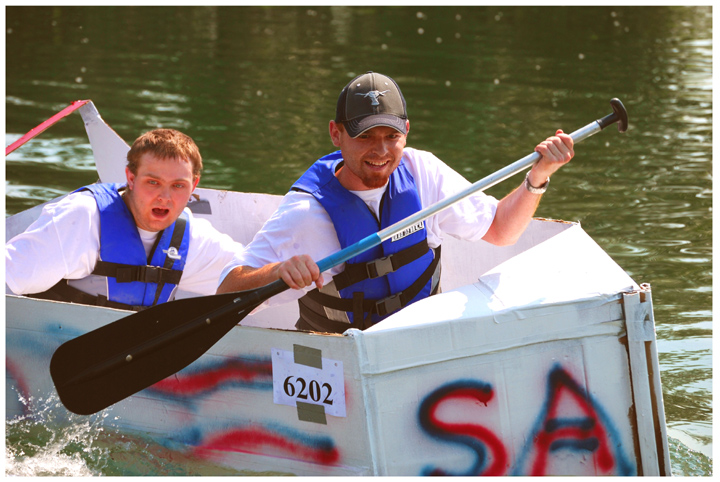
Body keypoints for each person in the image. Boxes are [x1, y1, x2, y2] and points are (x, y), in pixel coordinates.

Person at [217, 71, 574, 333]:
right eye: (365, 136)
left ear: (407, 130)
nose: (381, 151)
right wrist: (276, 272)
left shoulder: (424, 174)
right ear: (335, 134)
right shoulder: (306, 213)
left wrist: (539, 175)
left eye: (391, 136)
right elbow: (226, 293)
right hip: (337, 359)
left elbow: (501, 230)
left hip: (415, 344)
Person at [6, 128, 244, 311]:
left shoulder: (190, 237)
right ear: (130, 178)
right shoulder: (82, 218)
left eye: (178, 186)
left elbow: (249, 273)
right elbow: (9, 277)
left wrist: (279, 271)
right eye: (153, 182)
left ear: (194, 186)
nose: (165, 197)